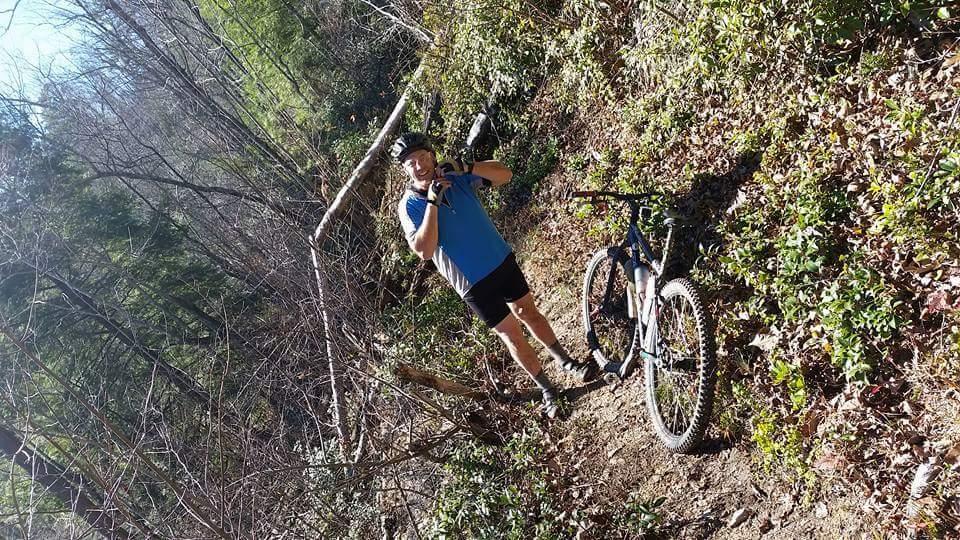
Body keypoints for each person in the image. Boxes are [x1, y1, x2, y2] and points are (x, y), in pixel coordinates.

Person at [392, 132, 596, 418]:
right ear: (405, 169)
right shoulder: (409, 206)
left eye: (423, 157)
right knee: (512, 337)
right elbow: (424, 250)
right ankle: (548, 389)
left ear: (432, 155)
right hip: (472, 282)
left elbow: (505, 175)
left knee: (529, 312)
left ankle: (565, 361)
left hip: (499, 258)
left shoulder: (457, 176)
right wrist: (433, 203)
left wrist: (467, 167)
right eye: (411, 162)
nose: (419, 166)